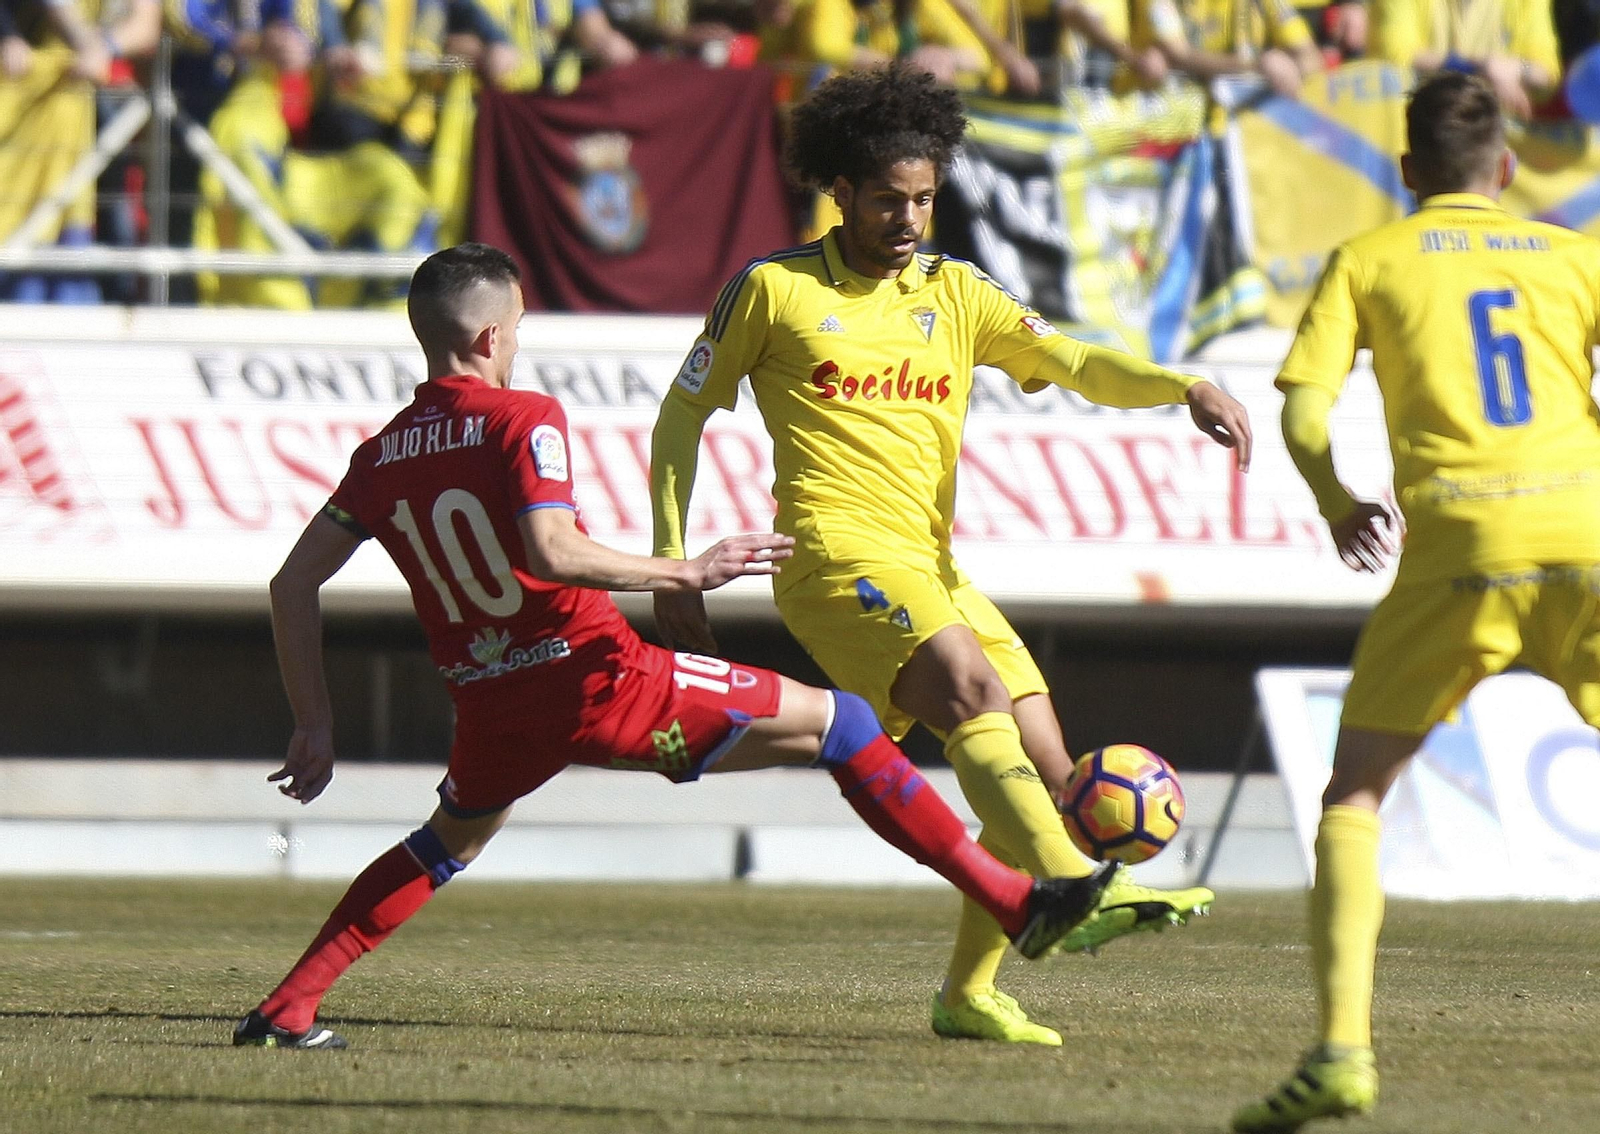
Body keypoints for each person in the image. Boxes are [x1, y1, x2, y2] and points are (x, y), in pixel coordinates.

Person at [233, 243, 1116, 1050]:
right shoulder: (522, 417)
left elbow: (291, 584)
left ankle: (288, 1008)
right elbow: (551, 552)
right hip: (603, 679)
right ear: (494, 333)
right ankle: (1014, 902)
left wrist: (314, 721)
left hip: (490, 701)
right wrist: (684, 572)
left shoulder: (382, 454)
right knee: (846, 724)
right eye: (520, 331)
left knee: (444, 845)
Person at [649, 64, 1248, 1048]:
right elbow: (682, 417)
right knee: (971, 691)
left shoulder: (958, 293)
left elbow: (1076, 364)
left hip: (933, 565)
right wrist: (673, 562)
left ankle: (969, 992)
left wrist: (1179, 385)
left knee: (1052, 770)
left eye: (925, 199)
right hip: (833, 556)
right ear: (839, 190)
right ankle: (1068, 886)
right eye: (889, 199)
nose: (909, 219)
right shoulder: (773, 289)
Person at [1232, 71, 1600, 1131]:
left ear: (1404, 172)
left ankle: (1342, 1052)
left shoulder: (1370, 258)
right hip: (1585, 534)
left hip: (1459, 544)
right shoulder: (1574, 255)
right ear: (1509, 168)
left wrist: (1339, 502)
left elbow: (1304, 419)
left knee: (1353, 800)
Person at [1369, 0, 1560, 118]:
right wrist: (1479, 70)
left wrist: (1518, 69)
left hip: (1489, 141)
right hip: (1417, 127)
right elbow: (1395, 56)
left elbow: (1548, 76)